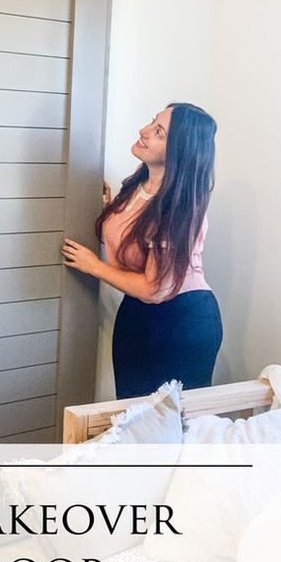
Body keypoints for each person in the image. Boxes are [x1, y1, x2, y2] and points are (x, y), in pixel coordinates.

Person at [62, 102, 222, 399]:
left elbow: (154, 288)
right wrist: (110, 210)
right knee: (131, 413)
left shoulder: (180, 206)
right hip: (137, 311)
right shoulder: (142, 179)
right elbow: (136, 239)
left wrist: (93, 266)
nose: (144, 131)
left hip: (182, 321)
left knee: (166, 426)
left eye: (158, 132)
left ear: (178, 152)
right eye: (152, 122)